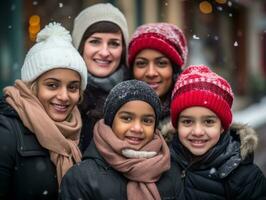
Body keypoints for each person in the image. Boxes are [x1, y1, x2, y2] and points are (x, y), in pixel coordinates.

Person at [0, 22, 87, 200]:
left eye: (72, 87)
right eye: (52, 85)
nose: (64, 96)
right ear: (33, 87)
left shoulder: (78, 131)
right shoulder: (6, 132)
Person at [59, 80, 184, 200]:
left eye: (147, 121)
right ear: (110, 121)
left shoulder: (170, 172)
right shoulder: (81, 177)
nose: (137, 128)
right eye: (127, 118)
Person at [170, 65, 266, 199]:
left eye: (208, 122)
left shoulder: (246, 178)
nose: (197, 131)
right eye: (187, 122)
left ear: (222, 127)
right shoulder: (162, 165)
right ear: (176, 126)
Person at [72, 3, 129, 152]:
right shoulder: (64, 95)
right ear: (80, 46)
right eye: (95, 41)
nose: (104, 52)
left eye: (114, 43)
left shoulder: (137, 94)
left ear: (123, 50)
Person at [128, 22, 188, 143]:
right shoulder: (114, 116)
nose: (151, 73)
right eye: (141, 63)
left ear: (174, 70)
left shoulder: (191, 119)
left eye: (161, 63)